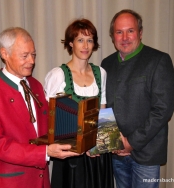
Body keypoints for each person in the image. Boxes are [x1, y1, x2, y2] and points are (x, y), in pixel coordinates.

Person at [0, 27, 79, 188]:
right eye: (25, 56)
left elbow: (47, 127)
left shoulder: (34, 85)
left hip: (42, 181)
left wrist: (78, 132)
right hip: (14, 182)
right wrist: (45, 153)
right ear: (4, 54)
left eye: (33, 54)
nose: (32, 61)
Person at [101, 9, 174, 188]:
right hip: (116, 154)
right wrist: (112, 142)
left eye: (130, 31)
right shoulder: (106, 64)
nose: (125, 37)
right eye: (119, 32)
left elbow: (162, 109)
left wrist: (131, 143)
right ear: (113, 36)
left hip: (146, 155)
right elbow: (104, 105)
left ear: (140, 33)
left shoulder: (159, 61)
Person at [44, 19, 114, 188]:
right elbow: (50, 118)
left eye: (89, 40)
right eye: (80, 40)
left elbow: (103, 112)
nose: (85, 46)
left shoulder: (101, 72)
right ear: (71, 43)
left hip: (97, 152)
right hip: (70, 155)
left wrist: (100, 145)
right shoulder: (58, 75)